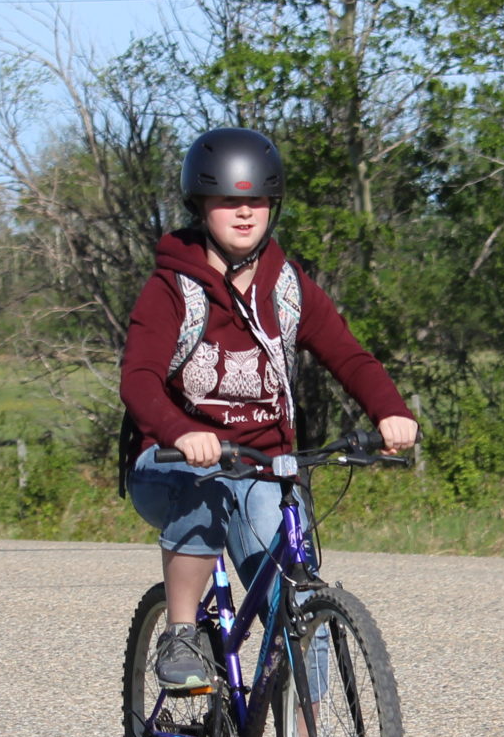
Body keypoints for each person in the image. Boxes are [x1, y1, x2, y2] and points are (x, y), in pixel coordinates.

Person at [120, 127, 416, 694]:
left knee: (301, 607)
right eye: (227, 199)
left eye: (256, 200)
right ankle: (181, 632)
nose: (243, 212)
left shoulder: (287, 287)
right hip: (171, 462)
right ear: (200, 205)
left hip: (262, 467)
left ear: (272, 205)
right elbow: (138, 381)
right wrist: (181, 432)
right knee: (204, 487)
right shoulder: (173, 288)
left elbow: (349, 356)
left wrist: (389, 411)